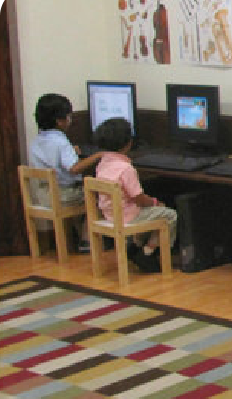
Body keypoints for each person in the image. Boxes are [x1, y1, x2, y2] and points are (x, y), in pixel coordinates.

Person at [93, 118, 176, 273]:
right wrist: (155, 202)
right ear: (128, 143)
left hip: (109, 215)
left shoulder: (102, 163)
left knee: (150, 212)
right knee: (169, 215)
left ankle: (135, 246)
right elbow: (139, 198)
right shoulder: (126, 168)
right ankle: (148, 252)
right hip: (127, 217)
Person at [27, 93, 106, 252]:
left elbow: (55, 158)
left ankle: (83, 237)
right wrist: (98, 155)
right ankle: (87, 241)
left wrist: (72, 150)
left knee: (82, 192)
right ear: (60, 121)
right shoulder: (61, 141)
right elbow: (74, 168)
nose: (71, 120)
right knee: (98, 195)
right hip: (62, 196)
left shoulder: (37, 140)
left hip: (43, 194)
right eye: (69, 116)